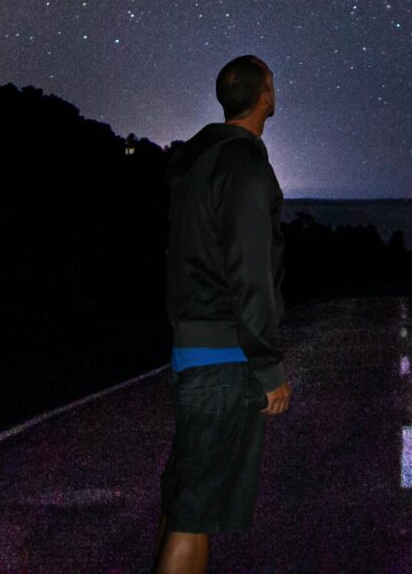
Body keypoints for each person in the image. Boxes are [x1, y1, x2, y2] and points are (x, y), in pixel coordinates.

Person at [152, 54, 289, 574]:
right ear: (265, 96)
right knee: (194, 515)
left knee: (187, 503)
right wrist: (269, 367)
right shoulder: (244, 164)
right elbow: (250, 269)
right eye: (272, 87)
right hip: (226, 357)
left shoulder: (196, 162)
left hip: (192, 349)